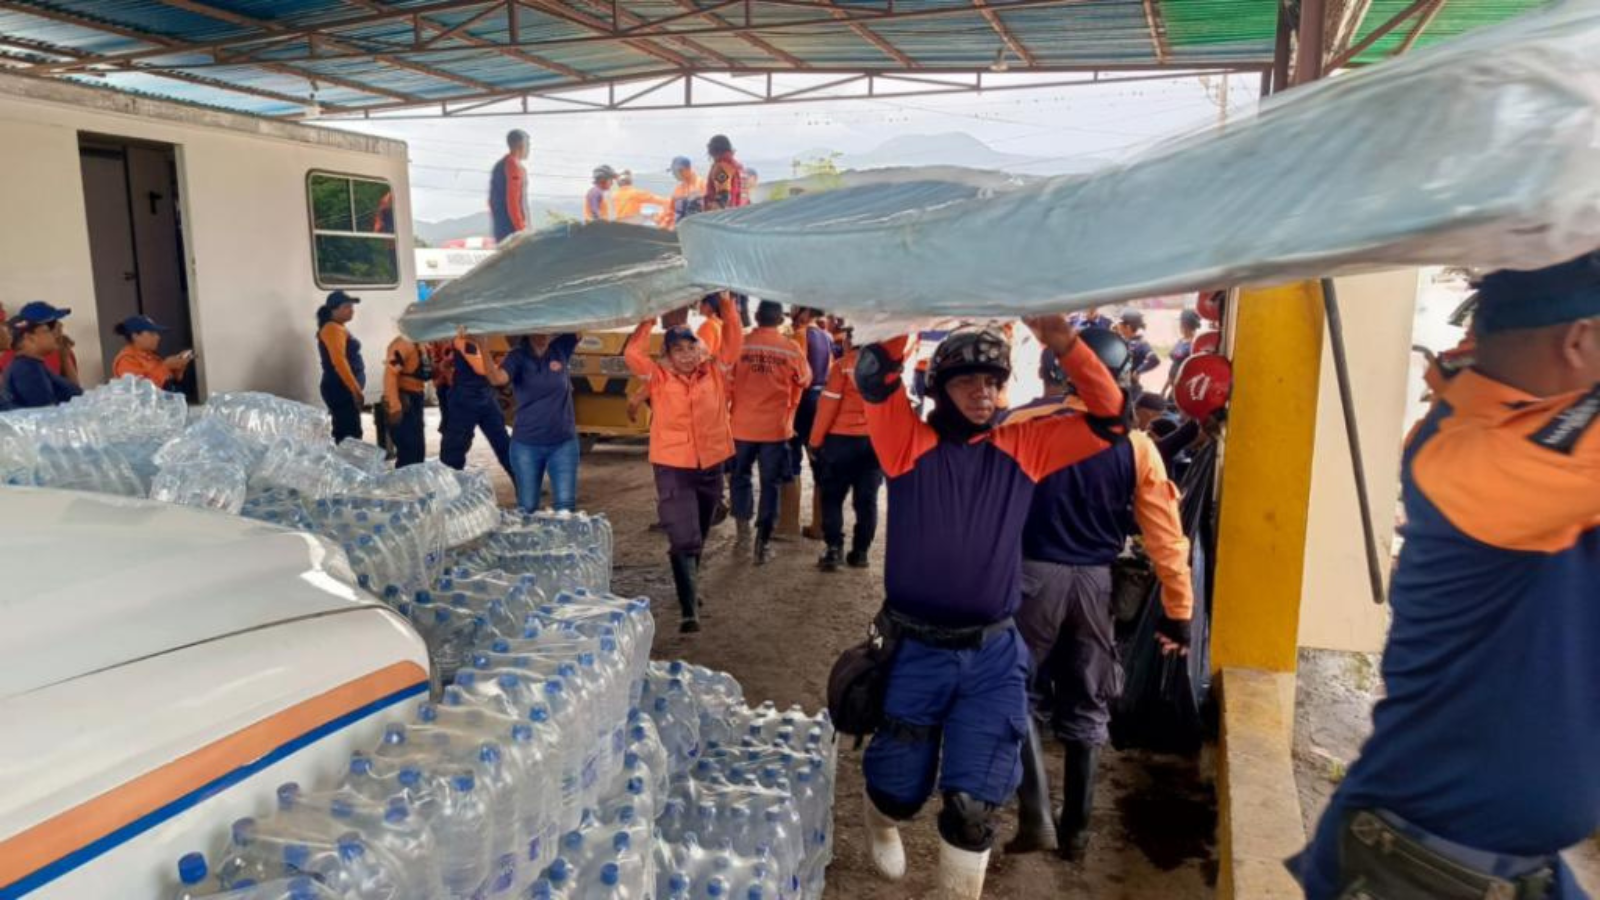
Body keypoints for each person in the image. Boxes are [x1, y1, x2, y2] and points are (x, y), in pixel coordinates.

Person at [1293, 251, 1600, 900]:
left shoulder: (1521, 447)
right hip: (1422, 869)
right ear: (1579, 340)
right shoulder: (1470, 454)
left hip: (1502, 868)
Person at [855, 317, 1125, 900]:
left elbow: (1111, 416)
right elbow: (874, 374)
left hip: (993, 654)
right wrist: (914, 310)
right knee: (899, 787)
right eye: (967, 382)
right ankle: (879, 817)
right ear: (937, 389)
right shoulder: (906, 443)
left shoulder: (1023, 445)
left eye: (994, 381)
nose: (983, 392)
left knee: (974, 805)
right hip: (915, 648)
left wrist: (1063, 343)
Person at [1003, 329, 1194, 862]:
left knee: (1015, 690)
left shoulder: (1020, 423)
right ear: (1119, 378)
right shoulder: (1135, 444)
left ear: (1050, 371)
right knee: (1088, 699)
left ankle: (1034, 811)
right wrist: (1178, 610)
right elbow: (1164, 534)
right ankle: (1078, 830)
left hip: (1028, 579)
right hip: (1096, 582)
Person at [623, 294, 744, 633]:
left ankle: (690, 587)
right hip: (673, 465)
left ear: (701, 350)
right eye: (679, 351)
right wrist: (650, 317)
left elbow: (734, 341)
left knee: (701, 531)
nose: (687, 356)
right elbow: (632, 353)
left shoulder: (716, 372)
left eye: (692, 349)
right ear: (668, 357)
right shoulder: (658, 378)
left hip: (711, 464)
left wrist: (727, 305)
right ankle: (689, 609)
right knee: (683, 534)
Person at [730, 300, 811, 564]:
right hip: (774, 430)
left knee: (739, 477)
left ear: (755, 317)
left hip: (741, 426)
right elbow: (805, 379)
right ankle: (761, 543)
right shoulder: (791, 349)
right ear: (780, 320)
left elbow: (724, 378)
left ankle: (741, 533)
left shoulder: (739, 344)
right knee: (770, 484)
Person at [808, 327, 881, 571]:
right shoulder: (886, 368)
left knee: (832, 497)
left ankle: (834, 550)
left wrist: (815, 442)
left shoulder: (842, 366)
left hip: (841, 442)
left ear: (853, 340)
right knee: (867, 501)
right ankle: (860, 553)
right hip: (874, 443)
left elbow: (827, 406)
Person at [488, 332, 582, 512]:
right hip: (527, 445)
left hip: (563, 443)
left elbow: (580, 324)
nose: (544, 335)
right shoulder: (517, 356)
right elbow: (497, 378)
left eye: (547, 329)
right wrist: (482, 346)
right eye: (538, 330)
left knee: (565, 507)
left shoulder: (560, 348)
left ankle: (562, 541)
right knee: (528, 506)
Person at [440, 329, 514, 478]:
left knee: (503, 442)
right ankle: (448, 491)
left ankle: (525, 485)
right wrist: (506, 365)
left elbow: (445, 365)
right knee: (455, 447)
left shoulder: (477, 341)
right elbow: (481, 369)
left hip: (484, 396)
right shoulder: (464, 342)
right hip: (465, 400)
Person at [790, 306, 833, 538]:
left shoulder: (800, 335)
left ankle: (787, 523)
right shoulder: (826, 336)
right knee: (818, 461)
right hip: (820, 399)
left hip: (803, 401)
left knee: (792, 457)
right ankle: (819, 524)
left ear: (803, 312)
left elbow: (798, 373)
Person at [3, 302, 81, 409]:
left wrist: (65, 356)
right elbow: (45, 416)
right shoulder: (26, 370)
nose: (58, 328)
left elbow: (76, 396)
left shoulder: (35, 365)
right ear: (30, 338)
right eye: (50, 326)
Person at [316, 291, 365, 442]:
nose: (351, 310)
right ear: (333, 310)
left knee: (349, 431)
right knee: (348, 434)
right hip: (340, 388)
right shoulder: (332, 328)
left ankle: (346, 464)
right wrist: (355, 389)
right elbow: (339, 361)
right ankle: (345, 464)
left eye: (352, 306)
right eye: (346, 306)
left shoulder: (338, 327)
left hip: (341, 388)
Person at [382, 333, 431, 468]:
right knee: (409, 449)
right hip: (404, 399)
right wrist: (394, 406)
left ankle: (413, 484)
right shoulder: (403, 344)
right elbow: (390, 374)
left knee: (417, 449)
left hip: (416, 398)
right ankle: (405, 486)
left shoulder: (421, 343)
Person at [111, 315, 191, 390]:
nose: (158, 337)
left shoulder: (152, 356)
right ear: (135, 336)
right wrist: (166, 366)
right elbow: (142, 389)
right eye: (152, 333)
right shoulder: (126, 360)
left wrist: (178, 367)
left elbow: (168, 382)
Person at [489, 129, 530, 243]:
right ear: (520, 145)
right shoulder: (513, 165)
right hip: (512, 231)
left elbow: (491, 202)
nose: (528, 149)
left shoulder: (500, 165)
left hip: (502, 229)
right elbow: (513, 201)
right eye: (528, 144)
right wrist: (521, 230)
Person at [1113, 309, 1160, 385]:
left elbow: (1154, 359)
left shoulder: (1140, 343)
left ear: (1128, 327)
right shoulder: (1124, 340)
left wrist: (1137, 371)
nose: (1118, 326)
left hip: (1129, 386)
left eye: (1120, 324)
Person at [659, 156, 704, 230]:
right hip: (679, 230)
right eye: (673, 172)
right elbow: (671, 210)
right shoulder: (678, 189)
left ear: (686, 170)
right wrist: (664, 225)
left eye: (675, 172)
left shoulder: (701, 184)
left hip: (696, 230)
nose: (674, 174)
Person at [703, 135, 746, 212]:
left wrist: (709, 212)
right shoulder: (737, 167)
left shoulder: (721, 168)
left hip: (725, 217)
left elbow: (723, 195)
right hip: (739, 213)